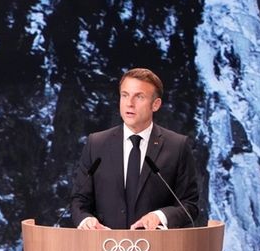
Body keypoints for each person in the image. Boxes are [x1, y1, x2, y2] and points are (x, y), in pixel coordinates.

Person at [70, 68, 200, 230]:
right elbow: (79, 200)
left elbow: (189, 205)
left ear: (156, 104)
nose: (129, 103)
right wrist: (86, 220)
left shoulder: (177, 146)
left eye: (139, 97)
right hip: (104, 247)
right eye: (124, 95)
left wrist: (159, 216)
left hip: (157, 248)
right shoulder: (96, 144)